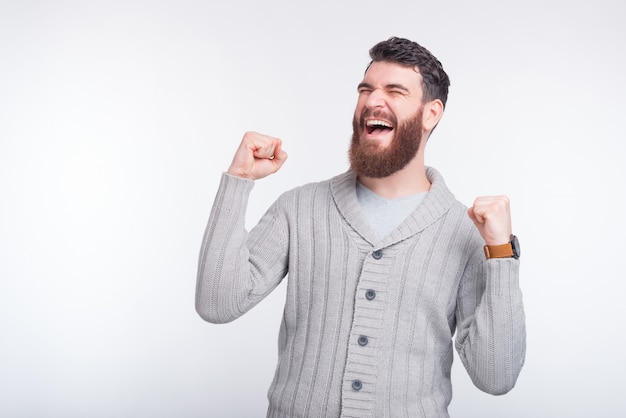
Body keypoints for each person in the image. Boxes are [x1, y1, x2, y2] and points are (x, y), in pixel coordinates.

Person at [196, 36, 526, 418]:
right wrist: (238, 181)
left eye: (394, 91)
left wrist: (501, 254)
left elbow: (496, 377)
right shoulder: (300, 208)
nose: (372, 100)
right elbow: (217, 304)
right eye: (365, 89)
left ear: (431, 113)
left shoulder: (466, 232)